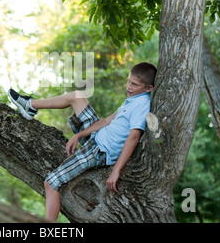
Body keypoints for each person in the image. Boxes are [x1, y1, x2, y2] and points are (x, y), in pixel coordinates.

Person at [8, 62, 157, 221]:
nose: (129, 86)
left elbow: (133, 137)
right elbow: (106, 121)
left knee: (51, 184)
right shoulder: (132, 100)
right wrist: (79, 135)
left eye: (134, 84)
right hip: (97, 136)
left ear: (148, 88)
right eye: (128, 81)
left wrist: (116, 171)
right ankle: (31, 106)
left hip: (98, 151)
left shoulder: (142, 104)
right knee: (77, 96)